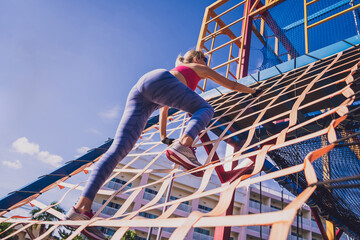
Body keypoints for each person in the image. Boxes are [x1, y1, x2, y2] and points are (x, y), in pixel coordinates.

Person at [65, 49, 261, 239]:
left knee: (119, 149)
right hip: (159, 84)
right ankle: (184, 144)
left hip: (143, 90)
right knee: (205, 108)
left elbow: (163, 111)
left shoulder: (176, 77)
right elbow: (232, 85)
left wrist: (164, 137)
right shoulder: (197, 67)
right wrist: (253, 91)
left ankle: (81, 208)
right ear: (199, 59)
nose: (206, 66)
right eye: (205, 61)